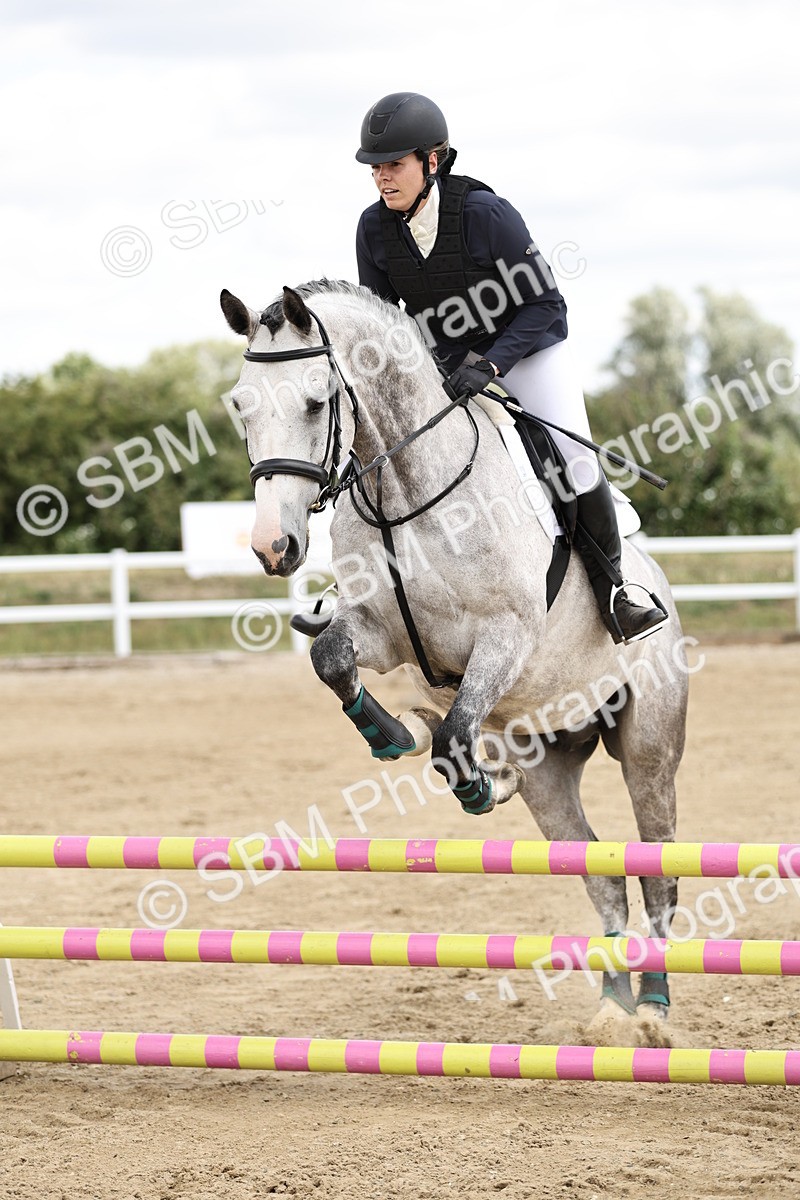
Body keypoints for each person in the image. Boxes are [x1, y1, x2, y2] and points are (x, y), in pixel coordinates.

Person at [355, 91, 667, 644]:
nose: (382, 177)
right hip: (448, 364)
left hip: (527, 350)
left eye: (394, 164)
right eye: (376, 167)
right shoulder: (373, 229)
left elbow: (546, 304)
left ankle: (617, 591)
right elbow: (384, 322)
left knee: (571, 460)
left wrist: (492, 364)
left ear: (432, 160)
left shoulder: (485, 215)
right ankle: (359, 597)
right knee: (388, 455)